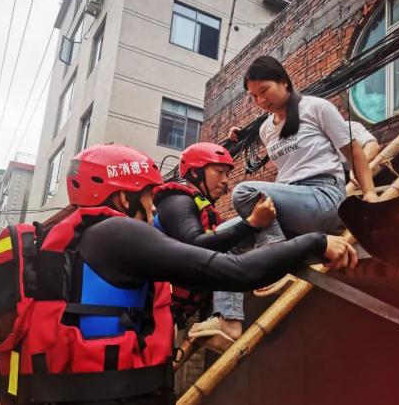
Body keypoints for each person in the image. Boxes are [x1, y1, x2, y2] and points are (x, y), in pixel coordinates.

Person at [52, 143, 356, 404]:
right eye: (147, 195)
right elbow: (232, 268)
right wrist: (314, 241)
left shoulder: (84, 239)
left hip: (92, 384)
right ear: (123, 199)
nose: (153, 205)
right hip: (110, 389)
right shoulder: (121, 232)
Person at [190, 56, 376, 344]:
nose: (260, 100)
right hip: (293, 204)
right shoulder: (266, 129)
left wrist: (370, 193)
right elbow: (288, 174)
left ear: (284, 82)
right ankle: (228, 320)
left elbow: (354, 150)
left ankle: (275, 257)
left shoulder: (316, 107)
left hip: (325, 197)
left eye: (264, 91)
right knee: (223, 236)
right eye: (254, 96)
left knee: (243, 191)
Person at [153, 142, 275, 345]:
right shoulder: (177, 201)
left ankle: (221, 318)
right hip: (157, 309)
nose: (225, 181)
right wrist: (251, 224)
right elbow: (197, 246)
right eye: (219, 172)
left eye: (227, 174)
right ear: (195, 173)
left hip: (180, 312)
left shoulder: (202, 206)